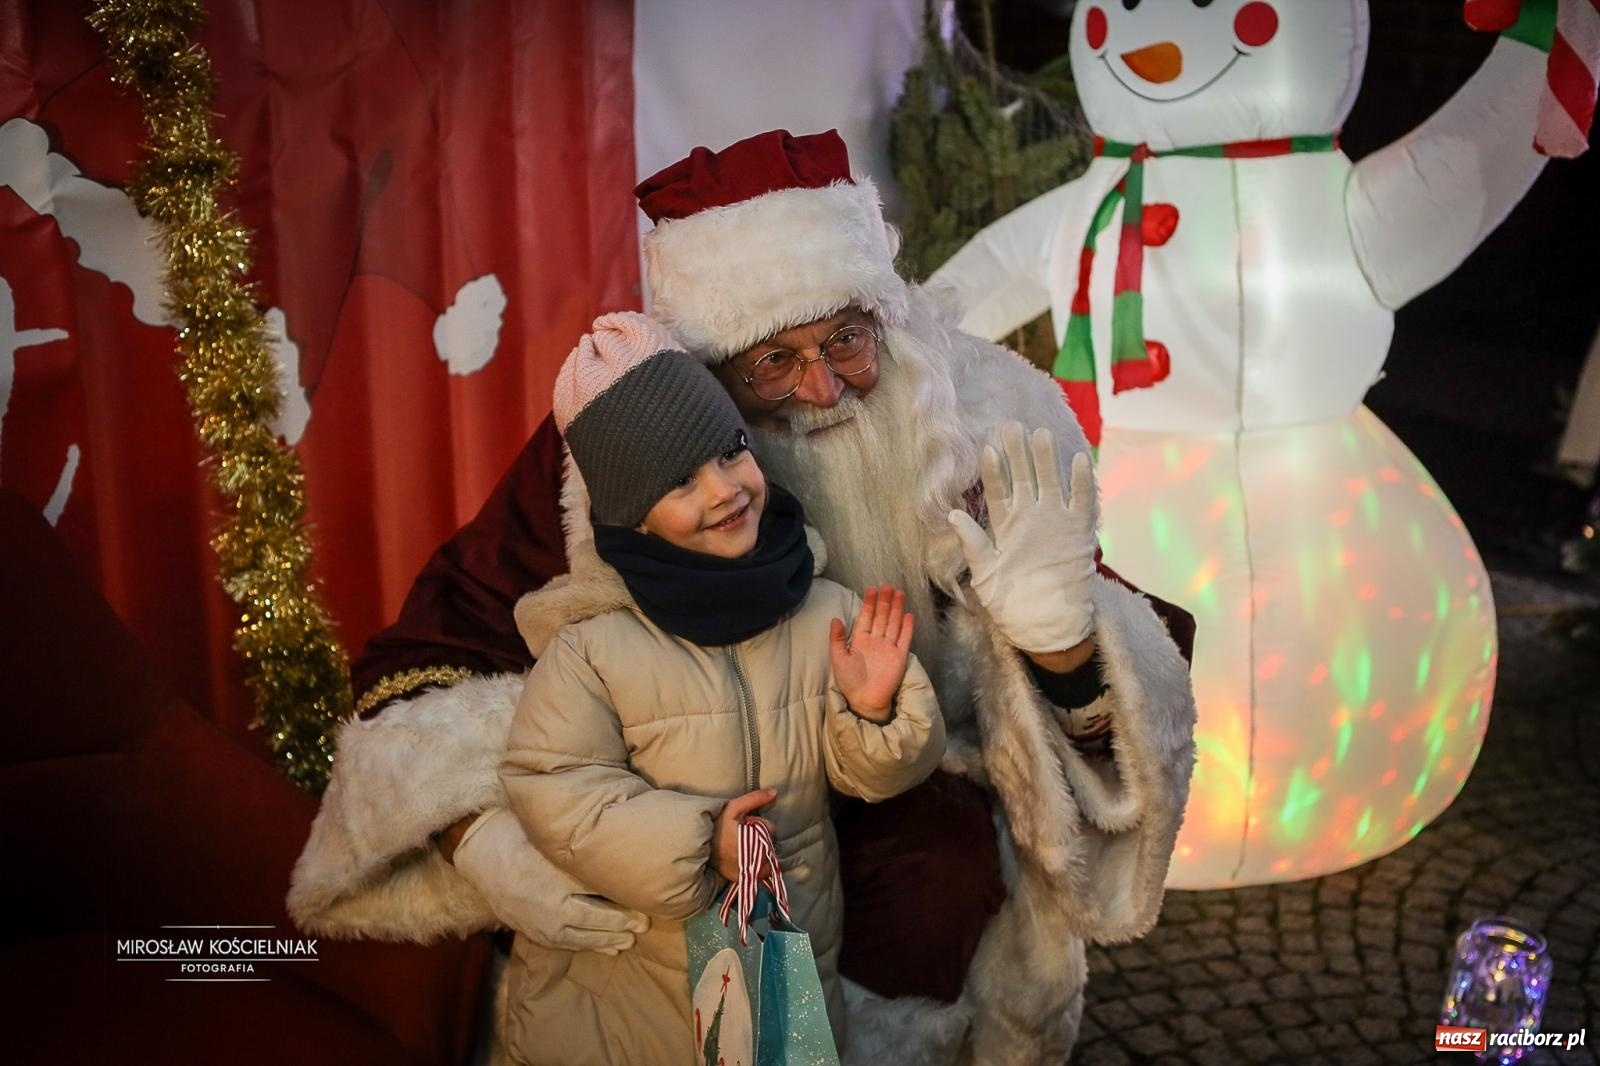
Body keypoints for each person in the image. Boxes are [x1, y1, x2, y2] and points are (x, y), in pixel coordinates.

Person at [289, 129, 1198, 1064]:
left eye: (846, 340)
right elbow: (430, 662)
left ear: (884, 316)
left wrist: (1060, 642)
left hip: (920, 819)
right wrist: (482, 840)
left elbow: (1107, 721)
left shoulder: (984, 417)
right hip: (674, 858)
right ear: (708, 369)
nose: (823, 389)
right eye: (772, 363)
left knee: (935, 886)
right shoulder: (614, 452)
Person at [495, 310, 944, 1064]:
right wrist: (697, 842)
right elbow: (552, 786)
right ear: (632, 517)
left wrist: (874, 712)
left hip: (786, 962)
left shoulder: (822, 611)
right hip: (634, 999)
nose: (724, 489)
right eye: (680, 480)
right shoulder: (594, 647)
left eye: (730, 451)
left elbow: (876, 774)